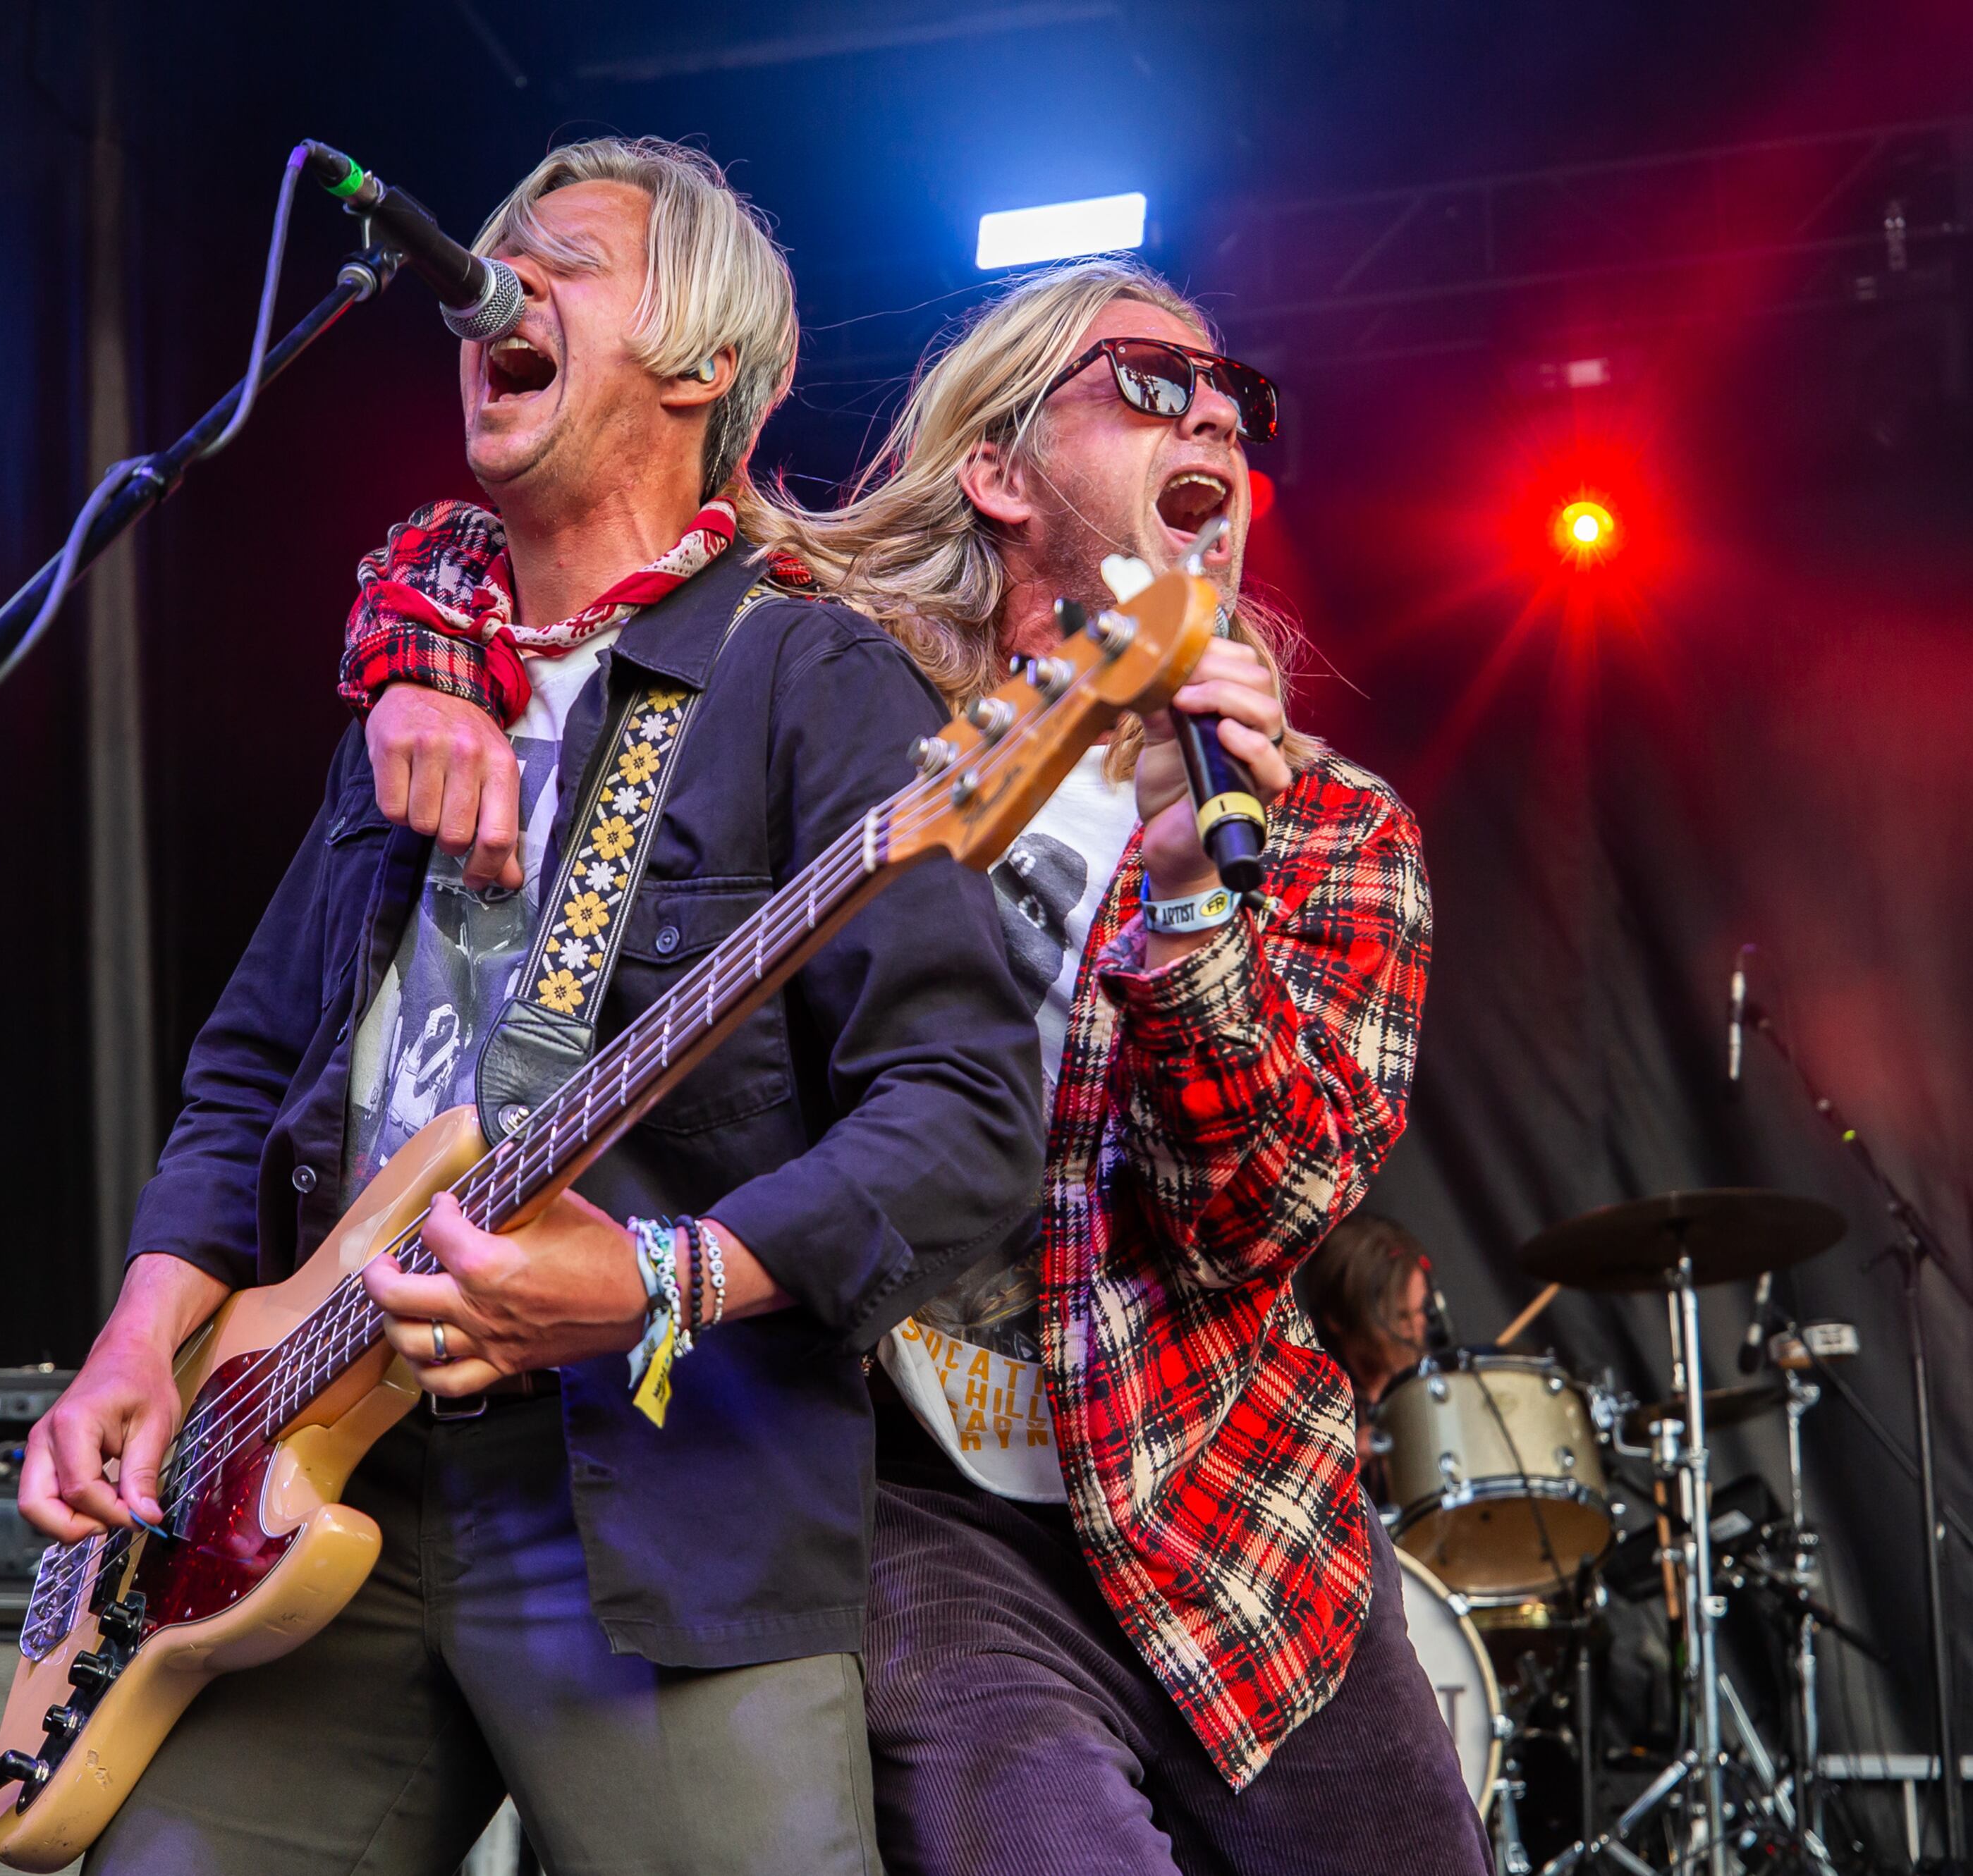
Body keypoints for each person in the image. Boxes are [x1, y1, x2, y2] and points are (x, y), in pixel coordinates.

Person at [348, 258, 1484, 1875]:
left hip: (1225, 1501)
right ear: (999, 470)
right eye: (1150, 383)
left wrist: (1187, 885)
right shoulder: (831, 678)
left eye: (1238, 401)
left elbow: (1253, 1217)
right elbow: (512, 538)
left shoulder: (1332, 832)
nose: (1215, 420)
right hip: (906, 1505)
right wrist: (427, 675)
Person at [18, 138, 1045, 1876]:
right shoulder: (418, 684)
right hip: (299, 1479)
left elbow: (967, 1115)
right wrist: (140, 1338)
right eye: (502, 254)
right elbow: (252, 1066)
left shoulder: (812, 678)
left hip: (659, 1495)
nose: (497, 279)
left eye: (564, 256)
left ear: (702, 361)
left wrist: (656, 1276)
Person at [1300, 1213, 1436, 1409]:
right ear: (1338, 1318)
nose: (1415, 1330)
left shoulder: (1431, 1386)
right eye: (1401, 1316)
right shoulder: (1315, 1403)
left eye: (1422, 1309)